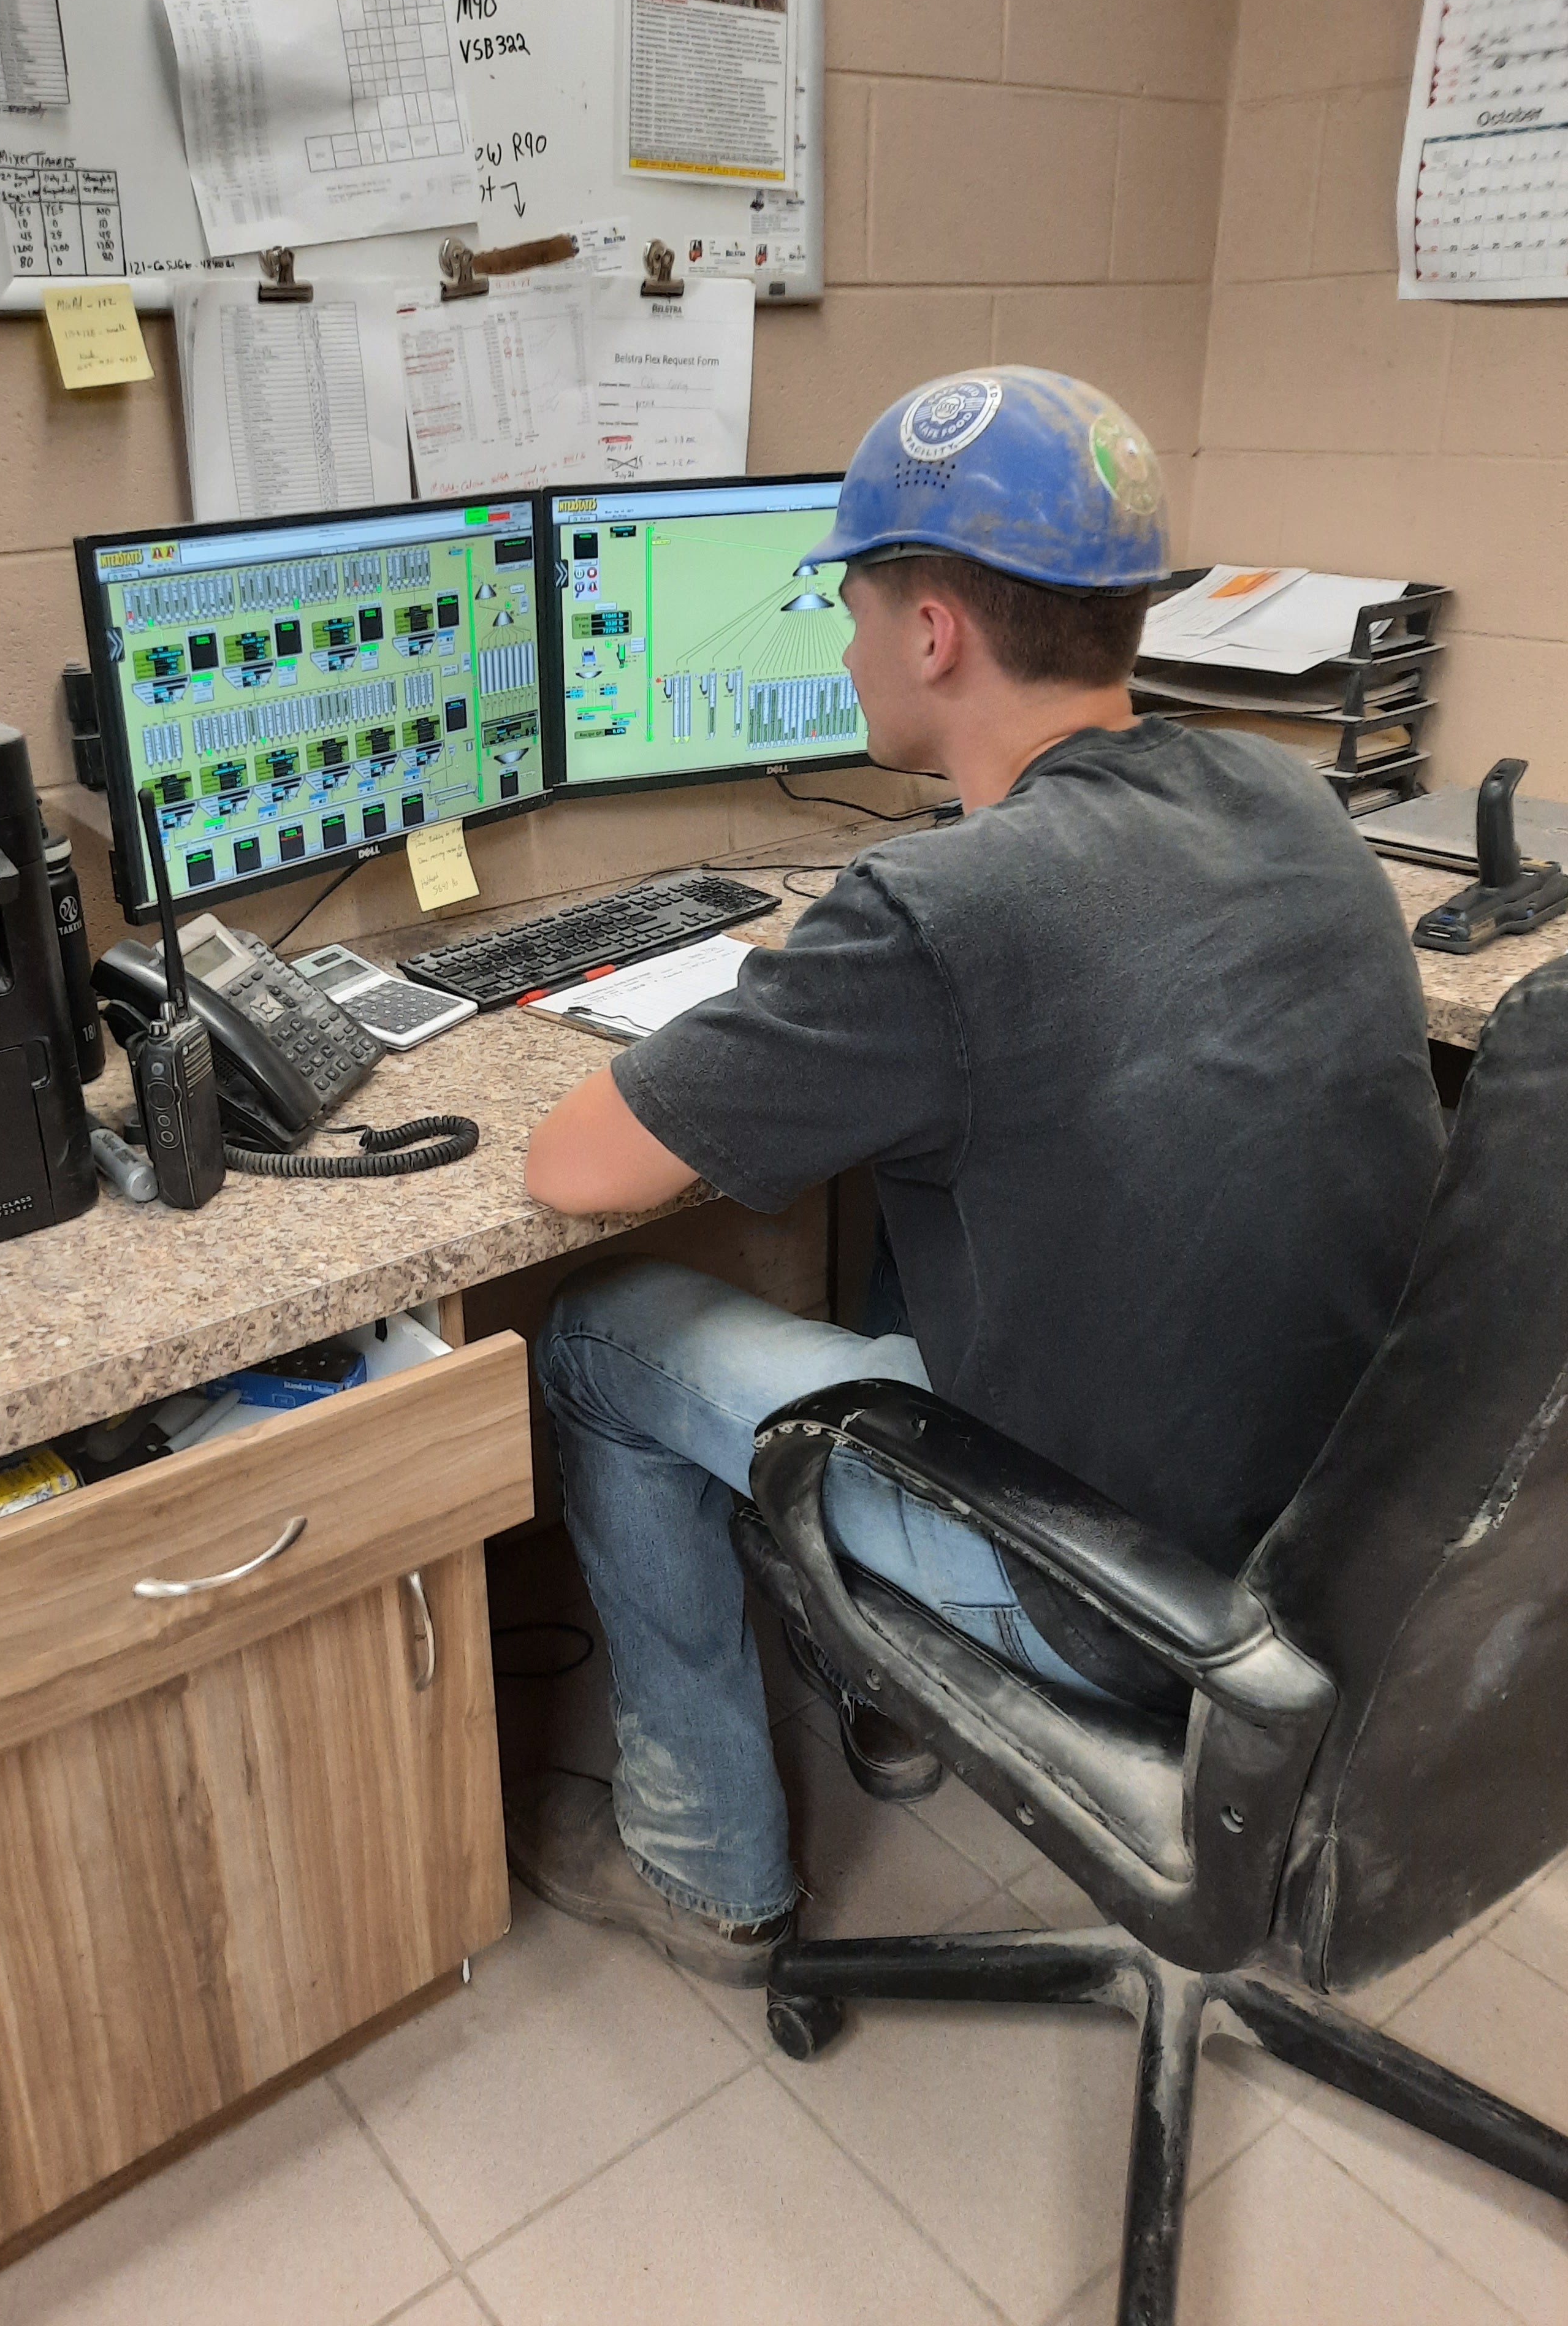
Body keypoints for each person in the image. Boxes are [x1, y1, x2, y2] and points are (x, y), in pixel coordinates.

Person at [510, 368, 1445, 1988]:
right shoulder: (1294, 805)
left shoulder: (937, 913)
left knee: (597, 1336)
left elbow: (572, 1169)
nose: (848, 639)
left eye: (850, 601)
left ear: (932, 631)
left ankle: (702, 1868)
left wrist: (796, 987)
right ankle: (892, 1709)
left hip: (1135, 1605)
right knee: (915, 1216)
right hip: (1362, 1554)